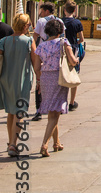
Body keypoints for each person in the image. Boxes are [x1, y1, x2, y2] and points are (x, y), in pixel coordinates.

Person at [34, 18, 78, 156]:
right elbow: (72, 60)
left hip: (46, 78)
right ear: (60, 31)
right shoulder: (63, 42)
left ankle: (56, 142)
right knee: (55, 113)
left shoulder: (41, 46)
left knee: (53, 112)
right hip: (59, 77)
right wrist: (76, 60)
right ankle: (44, 144)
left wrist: (39, 81)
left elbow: (36, 67)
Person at [0, 14, 38, 157]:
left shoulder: (3, 41)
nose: (30, 26)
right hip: (21, 80)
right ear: (24, 26)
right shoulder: (29, 41)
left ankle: (11, 141)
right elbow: (35, 63)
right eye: (28, 24)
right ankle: (13, 144)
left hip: (6, 80)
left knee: (11, 112)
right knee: (20, 112)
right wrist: (39, 80)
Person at [62, 3, 85, 110]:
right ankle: (71, 102)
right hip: (74, 50)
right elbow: (82, 38)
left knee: (63, 75)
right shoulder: (77, 22)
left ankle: (62, 101)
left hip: (62, 50)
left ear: (64, 10)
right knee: (74, 75)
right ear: (74, 11)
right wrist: (76, 42)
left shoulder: (60, 21)